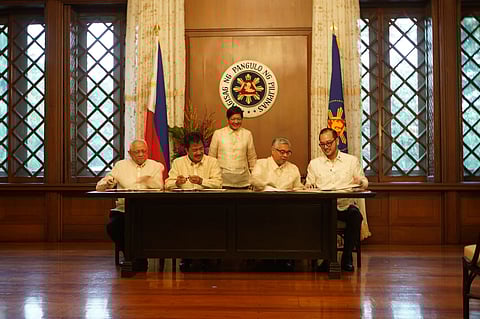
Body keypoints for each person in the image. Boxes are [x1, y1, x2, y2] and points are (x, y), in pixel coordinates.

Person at [96, 139, 165, 271]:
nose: (140, 154)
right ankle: (130, 256)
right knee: (113, 227)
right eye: (137, 152)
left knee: (150, 226)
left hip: (149, 210)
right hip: (124, 210)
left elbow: (159, 186)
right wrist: (107, 183)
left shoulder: (156, 166)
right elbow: (100, 186)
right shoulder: (120, 166)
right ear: (130, 153)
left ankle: (140, 257)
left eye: (143, 151)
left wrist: (147, 181)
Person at [306, 127, 368, 272]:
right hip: (324, 207)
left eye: (329, 143)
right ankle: (325, 259)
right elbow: (308, 186)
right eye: (322, 144)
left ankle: (346, 258)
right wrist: (309, 186)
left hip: (345, 206)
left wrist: (360, 181)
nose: (326, 147)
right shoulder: (314, 164)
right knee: (316, 217)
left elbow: (365, 183)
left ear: (337, 141)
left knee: (356, 216)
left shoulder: (351, 161)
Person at [249, 137, 303, 271]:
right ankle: (263, 257)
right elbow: (254, 181)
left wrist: (299, 189)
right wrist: (268, 185)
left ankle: (286, 257)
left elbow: (299, 188)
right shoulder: (261, 164)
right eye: (281, 152)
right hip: (263, 208)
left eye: (288, 152)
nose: (285, 155)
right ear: (273, 150)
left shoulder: (293, 168)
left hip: (287, 209)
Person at [209, 106, 257, 188]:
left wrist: (255, 178)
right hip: (222, 180)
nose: (236, 121)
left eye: (239, 119)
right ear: (228, 119)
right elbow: (211, 157)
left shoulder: (247, 134)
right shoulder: (218, 133)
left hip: (243, 181)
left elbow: (252, 158)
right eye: (233, 119)